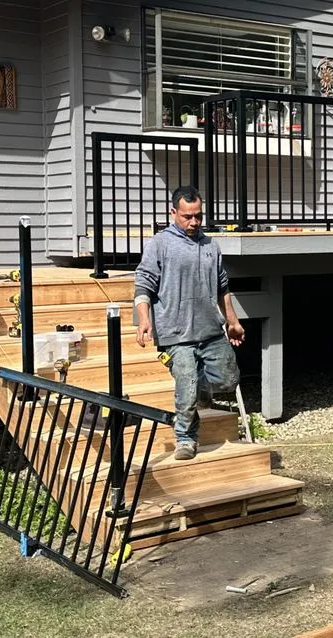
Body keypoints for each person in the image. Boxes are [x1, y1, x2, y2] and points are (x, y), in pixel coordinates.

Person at [134, 186, 244, 460]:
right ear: (173, 213)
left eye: (198, 216)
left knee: (229, 379)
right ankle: (185, 438)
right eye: (187, 216)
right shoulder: (160, 244)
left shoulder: (210, 245)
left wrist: (232, 321)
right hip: (175, 332)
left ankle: (200, 390)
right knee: (187, 387)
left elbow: (223, 287)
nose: (194, 222)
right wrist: (144, 320)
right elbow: (143, 285)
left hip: (210, 329)